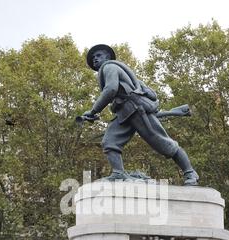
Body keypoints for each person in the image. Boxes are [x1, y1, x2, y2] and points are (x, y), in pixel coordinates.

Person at [82, 44, 199, 185]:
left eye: (98, 55)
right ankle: (118, 173)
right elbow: (149, 93)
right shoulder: (119, 71)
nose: (95, 59)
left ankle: (190, 173)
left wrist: (94, 110)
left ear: (107, 56)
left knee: (164, 143)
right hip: (123, 114)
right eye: (93, 57)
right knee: (110, 142)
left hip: (136, 110)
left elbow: (111, 89)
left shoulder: (109, 67)